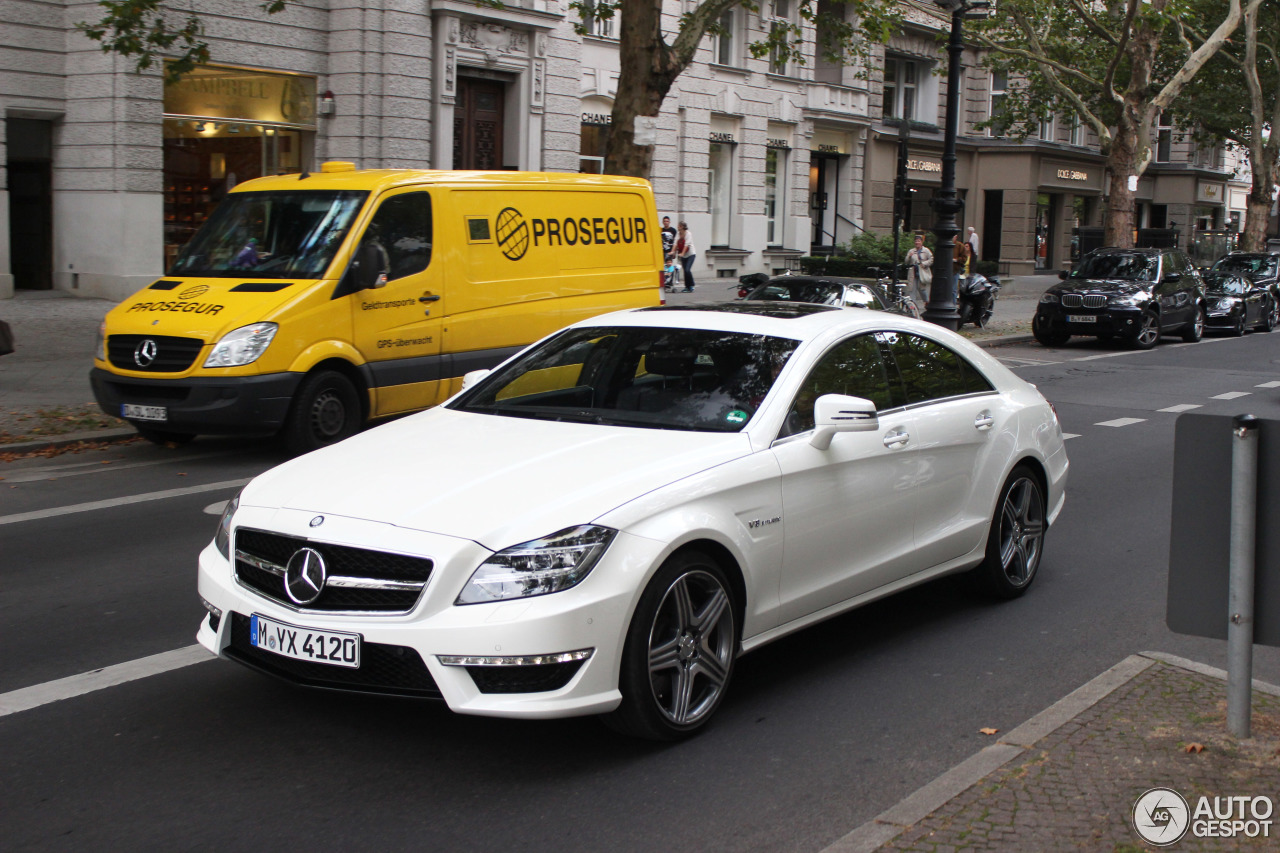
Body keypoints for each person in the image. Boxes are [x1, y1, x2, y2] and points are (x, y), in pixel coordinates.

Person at [905, 234, 933, 304]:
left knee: (922, 289)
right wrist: (909, 256)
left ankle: (926, 302)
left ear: (921, 242)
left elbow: (931, 259)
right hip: (913, 273)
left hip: (922, 273)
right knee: (912, 290)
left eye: (918, 241)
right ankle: (913, 306)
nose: (917, 242)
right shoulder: (911, 251)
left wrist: (924, 263)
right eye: (916, 241)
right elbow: (906, 261)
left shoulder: (926, 250)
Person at [676, 221, 697, 293]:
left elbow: (686, 245)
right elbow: (675, 243)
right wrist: (673, 251)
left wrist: (682, 253)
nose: (677, 227)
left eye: (678, 226)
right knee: (685, 271)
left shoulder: (688, 234)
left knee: (687, 269)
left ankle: (691, 284)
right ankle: (687, 287)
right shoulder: (678, 234)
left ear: (682, 226)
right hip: (684, 255)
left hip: (691, 254)